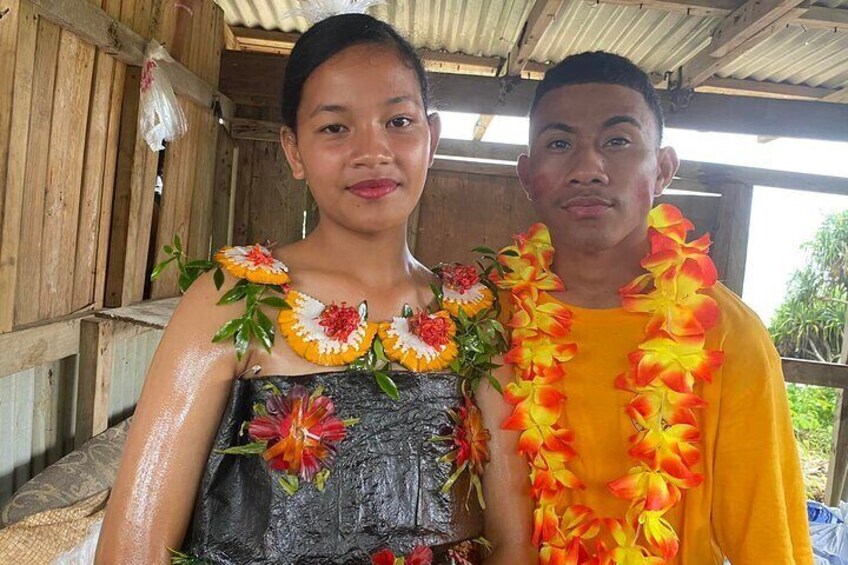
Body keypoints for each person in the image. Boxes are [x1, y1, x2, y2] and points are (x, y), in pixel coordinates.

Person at [95, 11, 532, 565]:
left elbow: (513, 542)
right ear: (294, 150)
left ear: (432, 137)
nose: (372, 151)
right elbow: (131, 548)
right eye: (334, 127)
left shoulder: (475, 317)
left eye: (398, 121)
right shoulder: (232, 296)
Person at [495, 51, 814, 564]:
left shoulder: (725, 334)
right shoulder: (486, 319)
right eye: (560, 143)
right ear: (528, 175)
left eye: (618, 141)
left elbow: (767, 539)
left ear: (662, 168)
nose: (587, 169)